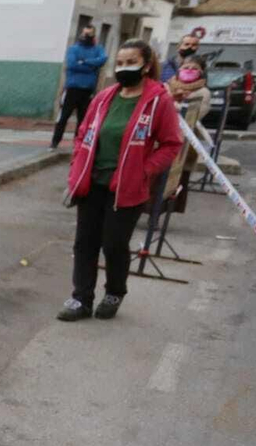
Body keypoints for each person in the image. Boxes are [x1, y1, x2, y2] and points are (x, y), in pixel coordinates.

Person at [58, 38, 183, 322]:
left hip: (127, 187)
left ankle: (114, 292)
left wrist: (145, 169)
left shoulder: (157, 101)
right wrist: (76, 167)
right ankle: (81, 299)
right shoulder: (104, 98)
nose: (124, 68)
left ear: (146, 65)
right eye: (120, 63)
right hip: (92, 183)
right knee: (85, 243)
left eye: (131, 62)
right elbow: (83, 135)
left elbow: (171, 144)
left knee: (114, 243)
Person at [51, 24, 107, 148]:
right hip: (72, 88)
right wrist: (92, 66)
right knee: (63, 116)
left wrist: (84, 62)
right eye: (84, 34)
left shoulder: (98, 49)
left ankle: (78, 144)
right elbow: (72, 65)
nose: (86, 36)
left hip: (88, 90)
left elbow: (103, 59)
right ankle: (55, 142)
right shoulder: (74, 49)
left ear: (93, 35)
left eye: (89, 34)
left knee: (83, 119)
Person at [164, 54, 210, 202]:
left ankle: (166, 210)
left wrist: (174, 105)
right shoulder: (167, 86)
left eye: (194, 68)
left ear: (201, 72)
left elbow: (195, 114)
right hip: (162, 137)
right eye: (186, 67)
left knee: (176, 179)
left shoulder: (203, 92)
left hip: (184, 142)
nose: (189, 70)